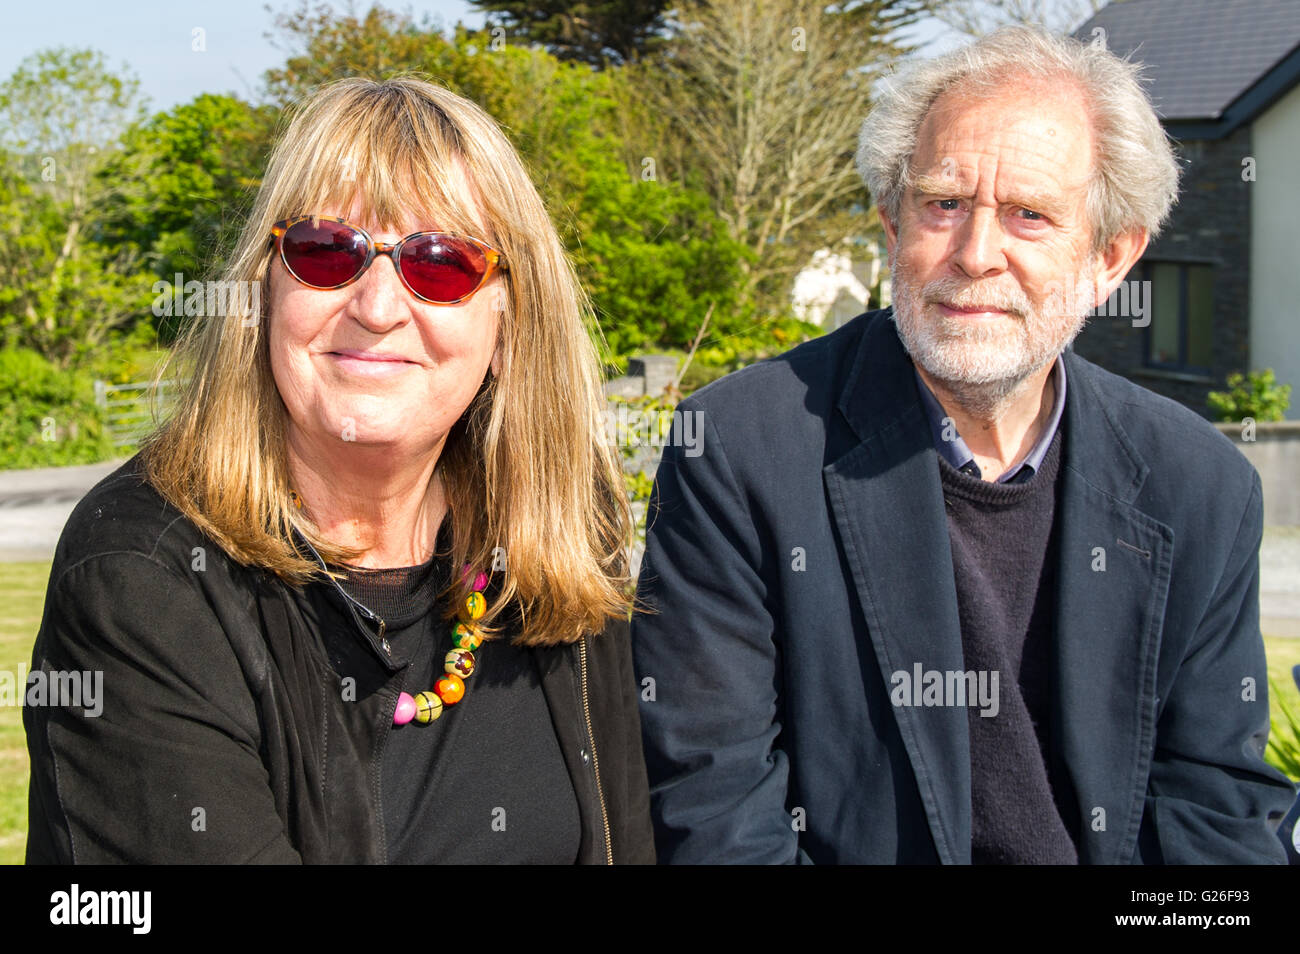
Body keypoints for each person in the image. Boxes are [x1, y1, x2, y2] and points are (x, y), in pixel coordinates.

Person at [631, 26, 1295, 864]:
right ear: (889, 223)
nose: (976, 254)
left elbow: (1218, 820)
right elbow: (712, 812)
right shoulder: (739, 451)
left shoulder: (1201, 487)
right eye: (942, 203)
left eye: (1029, 214)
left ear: (1109, 258)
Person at [25, 76, 653, 864]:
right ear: (265, 288)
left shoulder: (559, 525)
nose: (378, 306)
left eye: (443, 264)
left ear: (510, 323)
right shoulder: (142, 571)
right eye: (327, 253)